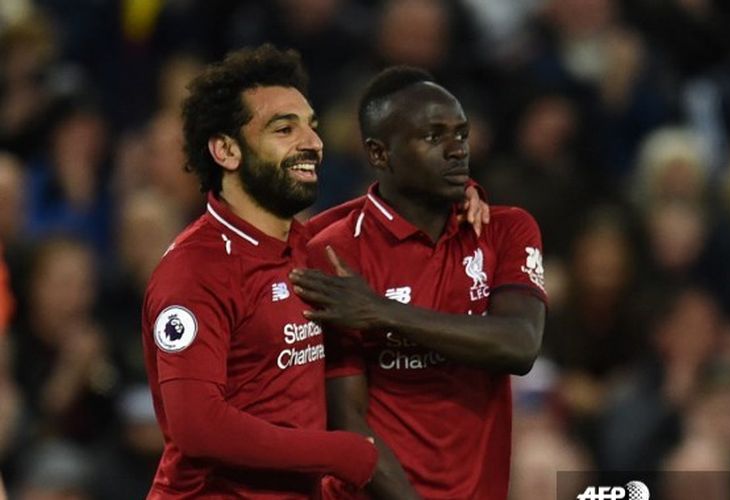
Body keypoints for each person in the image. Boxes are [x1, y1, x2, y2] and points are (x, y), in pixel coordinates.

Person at [291, 67, 547, 499]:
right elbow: (346, 417)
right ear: (379, 154)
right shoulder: (334, 254)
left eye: (461, 134)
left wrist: (382, 312)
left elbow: (519, 345)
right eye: (433, 137)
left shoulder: (506, 229)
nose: (457, 150)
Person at [141, 44, 379, 499]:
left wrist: (462, 197)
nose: (313, 142)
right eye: (284, 129)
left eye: (311, 126)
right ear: (227, 150)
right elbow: (198, 427)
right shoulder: (195, 269)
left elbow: (390, 217)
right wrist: (336, 453)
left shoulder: (306, 246)